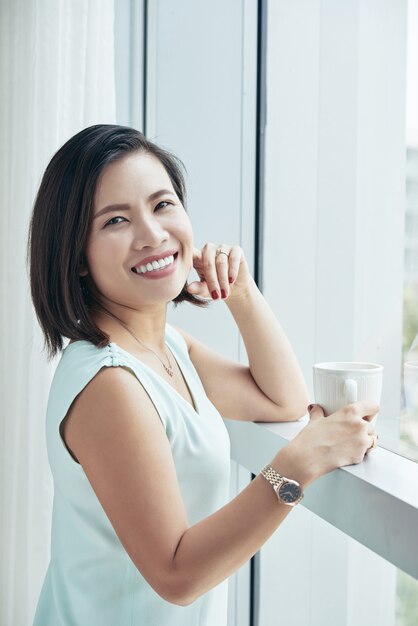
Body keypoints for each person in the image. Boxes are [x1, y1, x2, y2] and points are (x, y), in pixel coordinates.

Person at [28, 124, 379, 626]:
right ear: (76, 257)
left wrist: (240, 292)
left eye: (162, 204)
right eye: (115, 221)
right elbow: (177, 574)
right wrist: (295, 466)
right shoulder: (110, 385)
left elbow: (283, 400)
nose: (152, 234)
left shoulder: (163, 346)